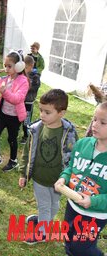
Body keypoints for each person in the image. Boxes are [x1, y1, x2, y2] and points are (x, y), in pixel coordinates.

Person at [18, 89, 78, 244]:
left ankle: (44, 225)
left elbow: (74, 157)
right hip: (40, 178)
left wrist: (68, 178)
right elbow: (27, 152)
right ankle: (43, 229)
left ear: (61, 113)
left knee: (54, 203)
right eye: (41, 111)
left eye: (47, 112)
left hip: (59, 180)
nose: (42, 115)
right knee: (44, 205)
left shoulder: (69, 133)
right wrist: (23, 174)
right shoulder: (36, 129)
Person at [54, 101, 107, 256]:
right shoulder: (82, 144)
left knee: (82, 247)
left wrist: (93, 201)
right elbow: (72, 167)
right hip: (73, 205)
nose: (95, 125)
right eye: (94, 119)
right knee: (69, 239)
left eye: (103, 122)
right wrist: (63, 178)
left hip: (95, 213)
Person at [0, 50, 29, 172]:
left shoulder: (23, 81)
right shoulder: (4, 80)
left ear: (19, 66)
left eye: (9, 66)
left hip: (15, 117)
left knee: (12, 138)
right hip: (3, 114)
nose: (6, 68)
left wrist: (5, 91)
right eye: (5, 66)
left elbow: (17, 99)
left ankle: (13, 160)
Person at [20, 55, 41, 144]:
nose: (24, 69)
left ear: (31, 66)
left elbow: (35, 87)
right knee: (17, 119)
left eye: (26, 67)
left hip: (28, 102)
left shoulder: (35, 77)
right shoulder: (21, 75)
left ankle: (26, 136)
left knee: (26, 121)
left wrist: (25, 86)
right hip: (20, 101)